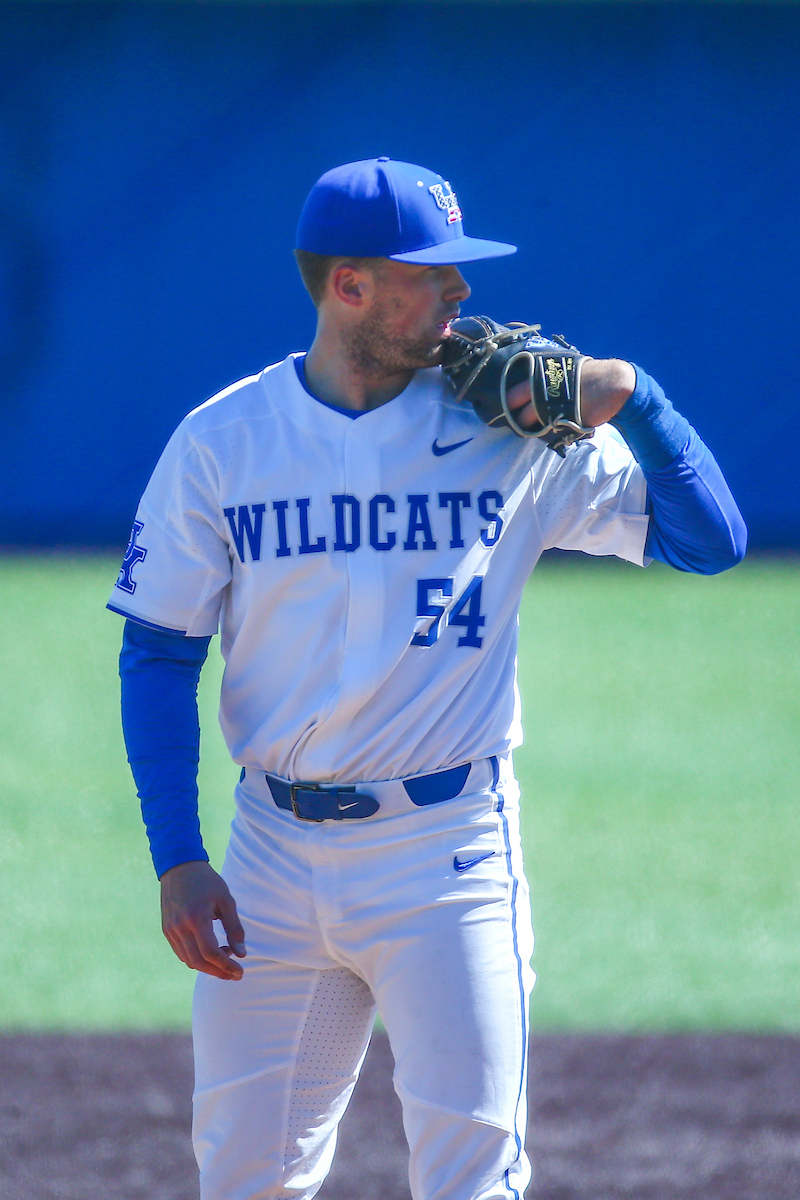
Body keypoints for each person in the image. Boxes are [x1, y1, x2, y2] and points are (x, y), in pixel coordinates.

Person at [109, 157, 746, 1200]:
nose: (460, 292)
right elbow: (159, 652)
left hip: (442, 855)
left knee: (468, 1180)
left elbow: (707, 542)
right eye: (431, 271)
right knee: (245, 1180)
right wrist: (177, 857)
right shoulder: (224, 441)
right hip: (266, 855)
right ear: (347, 286)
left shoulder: (511, 434)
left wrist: (635, 396)